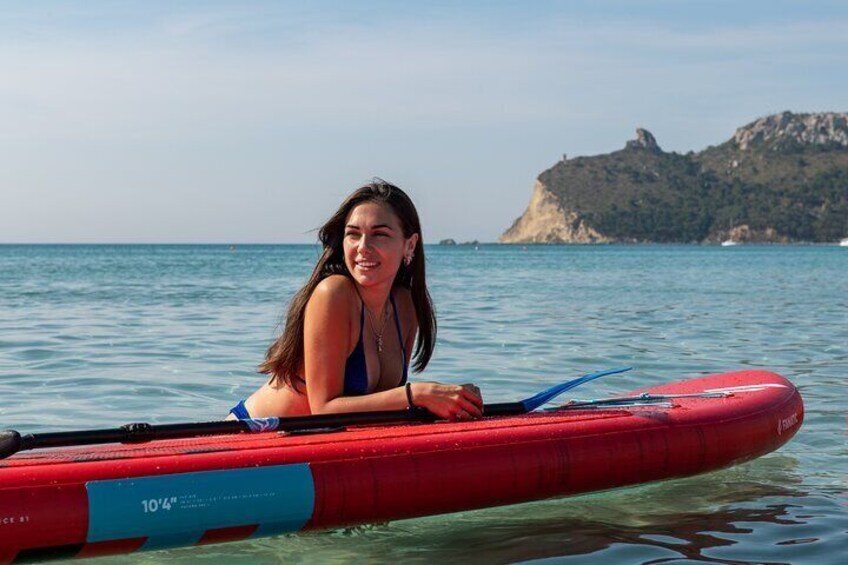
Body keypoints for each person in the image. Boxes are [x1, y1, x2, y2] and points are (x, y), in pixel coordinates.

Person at [228, 180, 483, 421]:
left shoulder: (405, 306)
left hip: (315, 445)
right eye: (353, 234)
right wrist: (417, 395)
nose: (363, 246)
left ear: (410, 245)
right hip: (250, 437)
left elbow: (379, 404)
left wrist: (454, 399)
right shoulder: (334, 294)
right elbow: (324, 409)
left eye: (379, 234)